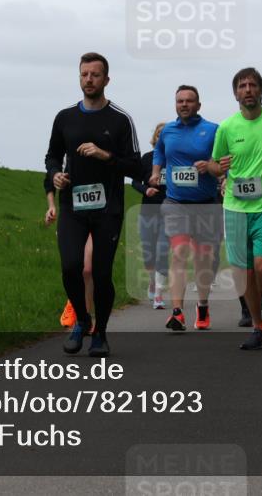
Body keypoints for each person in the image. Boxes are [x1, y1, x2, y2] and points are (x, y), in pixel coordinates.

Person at [44, 52, 141, 357]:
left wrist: (105, 155)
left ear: (106, 80)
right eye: (84, 74)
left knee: (100, 274)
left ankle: (100, 333)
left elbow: (136, 167)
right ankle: (82, 319)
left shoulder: (120, 119)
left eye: (95, 75)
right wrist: (55, 174)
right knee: (71, 267)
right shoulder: (65, 118)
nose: (89, 80)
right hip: (72, 206)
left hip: (107, 209)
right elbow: (52, 156)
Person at [208, 67, 262, 350]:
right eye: (242, 86)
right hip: (235, 209)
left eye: (252, 85)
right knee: (244, 273)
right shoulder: (226, 128)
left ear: (261, 90)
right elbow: (213, 165)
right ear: (235, 93)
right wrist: (217, 167)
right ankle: (258, 326)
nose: (248, 89)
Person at [151, 86, 222, 331]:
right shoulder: (168, 131)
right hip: (176, 203)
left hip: (205, 204)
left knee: (203, 258)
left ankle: (202, 306)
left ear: (198, 105)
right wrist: (155, 172)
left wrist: (210, 166)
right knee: (179, 252)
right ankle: (177, 312)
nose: (184, 104)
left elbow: (223, 162)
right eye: (180, 101)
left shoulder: (213, 130)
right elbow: (159, 152)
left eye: (189, 101)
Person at [132, 123, 169, 309]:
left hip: (169, 211)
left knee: (162, 251)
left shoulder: (175, 159)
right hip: (148, 211)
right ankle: (153, 282)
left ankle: (159, 294)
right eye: (159, 133)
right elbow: (134, 182)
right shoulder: (147, 158)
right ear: (155, 137)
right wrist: (146, 190)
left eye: (166, 133)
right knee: (149, 253)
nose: (162, 136)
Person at [45, 189, 94, 328]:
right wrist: (51, 206)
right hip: (71, 217)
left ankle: (84, 321)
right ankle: (74, 301)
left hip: (96, 216)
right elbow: (50, 179)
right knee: (73, 266)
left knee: (87, 270)